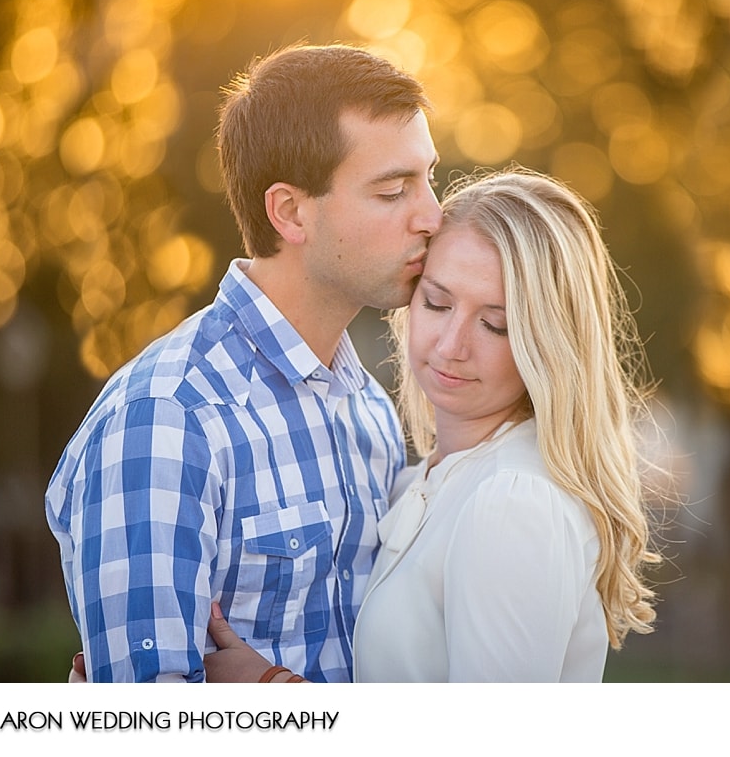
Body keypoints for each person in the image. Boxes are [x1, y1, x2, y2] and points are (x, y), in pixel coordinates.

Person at [45, 42, 443, 682]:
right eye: (393, 190)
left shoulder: (369, 408)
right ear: (290, 212)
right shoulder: (167, 421)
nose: (432, 215)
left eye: (428, 178)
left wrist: (275, 694)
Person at [201, 167, 665, 682]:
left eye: (495, 324)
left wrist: (276, 693)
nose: (450, 346)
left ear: (551, 343)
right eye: (437, 303)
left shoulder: (513, 501)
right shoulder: (417, 481)